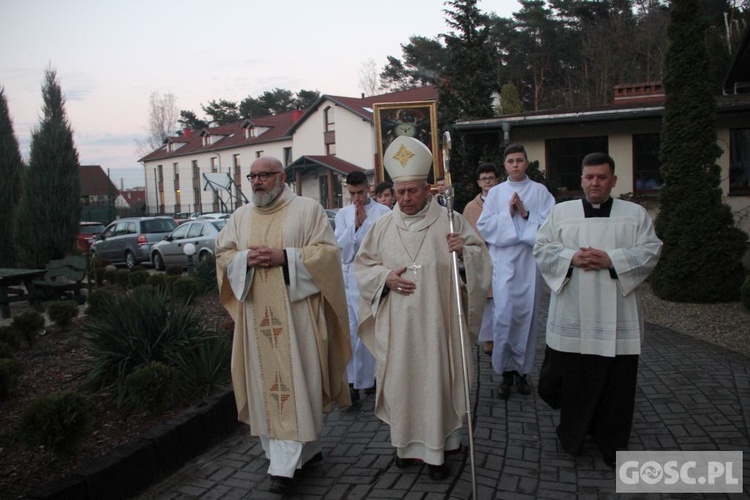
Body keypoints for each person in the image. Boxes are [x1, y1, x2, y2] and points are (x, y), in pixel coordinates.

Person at [355, 136, 492, 481]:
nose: (405, 199)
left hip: (439, 322)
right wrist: (385, 277)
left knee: (438, 382)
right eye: (400, 193)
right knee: (403, 383)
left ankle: (440, 449)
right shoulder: (382, 226)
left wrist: (463, 253)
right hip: (398, 325)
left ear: (427, 189)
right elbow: (363, 266)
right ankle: (405, 447)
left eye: (412, 192)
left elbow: (480, 262)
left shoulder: (450, 221)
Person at [215, 156, 351, 495]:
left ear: (282, 177)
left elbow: (327, 253)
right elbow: (222, 253)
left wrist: (285, 258)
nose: (257, 182)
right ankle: (287, 463)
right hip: (255, 315)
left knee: (300, 382)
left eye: (264, 175)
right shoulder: (241, 216)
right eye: (252, 176)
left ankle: (300, 454)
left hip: (297, 317)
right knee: (268, 387)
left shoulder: (307, 210)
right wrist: (244, 259)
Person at [533, 152, 662, 468]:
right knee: (574, 381)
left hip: (617, 316)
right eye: (589, 177)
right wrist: (571, 258)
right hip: (573, 312)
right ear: (581, 179)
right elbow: (542, 248)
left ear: (613, 180)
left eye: (602, 177)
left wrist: (612, 260)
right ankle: (573, 436)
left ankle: (612, 442)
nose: (595, 183)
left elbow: (650, 250)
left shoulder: (634, 215)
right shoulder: (561, 213)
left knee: (616, 388)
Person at [476, 144, 555, 400]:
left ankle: (522, 372)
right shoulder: (496, 193)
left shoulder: (540, 192)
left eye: (520, 160)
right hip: (505, 262)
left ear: (527, 163)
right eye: (510, 161)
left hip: (529, 264)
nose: (515, 165)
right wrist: (508, 215)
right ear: (505, 165)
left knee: (528, 319)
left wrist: (526, 213)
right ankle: (505, 373)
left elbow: (553, 225)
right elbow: (484, 226)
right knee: (504, 317)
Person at [335, 171, 391, 402]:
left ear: (368, 188)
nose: (356, 198)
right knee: (351, 330)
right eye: (351, 194)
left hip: (372, 275)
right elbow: (340, 247)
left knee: (372, 326)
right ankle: (351, 383)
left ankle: (372, 378)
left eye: (360, 192)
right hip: (350, 276)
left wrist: (363, 225)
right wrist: (354, 228)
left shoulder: (383, 212)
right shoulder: (343, 214)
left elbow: (383, 244)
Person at [462, 162, 501, 356]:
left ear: (497, 180)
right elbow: (466, 232)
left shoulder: (506, 199)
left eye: (491, 178)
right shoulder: (471, 207)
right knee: (486, 298)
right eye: (484, 179)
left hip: (504, 253)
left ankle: (504, 335)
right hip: (482, 254)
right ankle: (489, 338)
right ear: (479, 182)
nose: (488, 182)